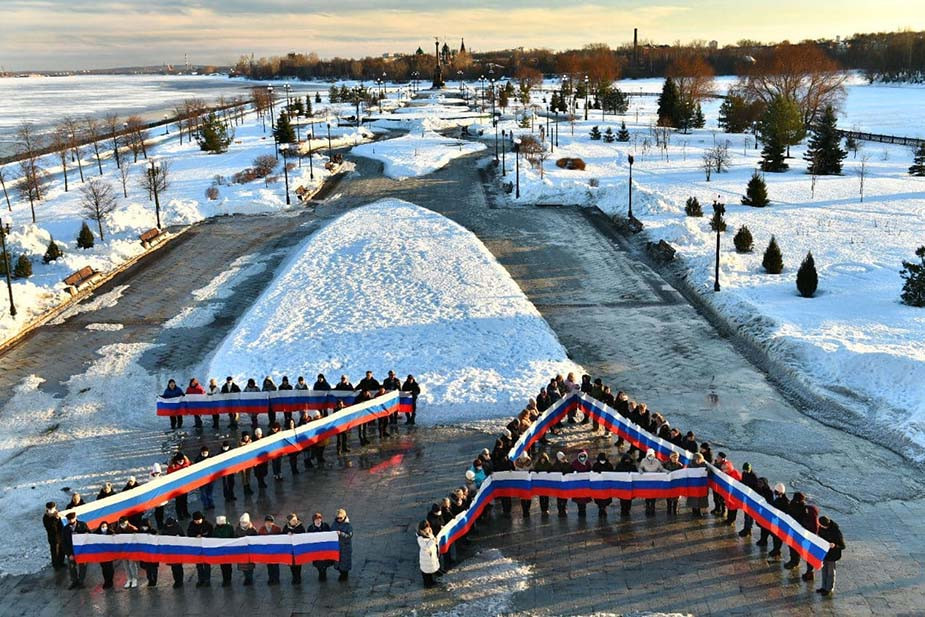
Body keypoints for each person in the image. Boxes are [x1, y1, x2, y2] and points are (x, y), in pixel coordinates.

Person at [817, 516, 845, 596]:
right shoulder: (821, 529)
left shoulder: (836, 532)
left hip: (832, 555)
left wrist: (835, 545)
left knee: (830, 572)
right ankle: (823, 587)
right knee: (824, 571)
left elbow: (842, 546)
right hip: (824, 554)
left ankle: (828, 589)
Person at [62, 512, 90, 589]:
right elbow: (64, 542)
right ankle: (74, 581)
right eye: (69, 519)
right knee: (72, 567)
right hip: (71, 551)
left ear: (75, 518)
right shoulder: (65, 529)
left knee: (82, 566)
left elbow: (89, 535)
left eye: (72, 519)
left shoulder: (82, 525)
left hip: (81, 550)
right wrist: (69, 554)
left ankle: (81, 581)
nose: (70, 521)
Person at [187, 511, 213, 587]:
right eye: (195, 520)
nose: (197, 522)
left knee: (207, 565)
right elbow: (189, 533)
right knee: (199, 565)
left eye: (198, 520)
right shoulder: (191, 525)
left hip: (206, 548)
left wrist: (204, 537)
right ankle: (201, 579)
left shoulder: (208, 525)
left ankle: (207, 580)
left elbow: (211, 535)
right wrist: (195, 535)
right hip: (197, 548)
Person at [783, 492, 808, 569]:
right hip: (792, 528)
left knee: (795, 546)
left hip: (797, 529)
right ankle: (793, 560)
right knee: (791, 545)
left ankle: (795, 562)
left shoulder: (803, 507)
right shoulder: (794, 504)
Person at [159, 515, 185, 587]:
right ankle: (177, 581)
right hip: (170, 552)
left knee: (178, 567)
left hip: (177, 551)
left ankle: (180, 580)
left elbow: (183, 537)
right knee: (174, 568)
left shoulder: (177, 527)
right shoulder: (165, 529)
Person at [767, 483, 790, 561]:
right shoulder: (777, 498)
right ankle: (775, 549)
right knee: (775, 537)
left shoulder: (785, 502)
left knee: (778, 538)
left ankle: (777, 550)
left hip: (779, 523)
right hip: (775, 521)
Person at [638, 448, 665, 517]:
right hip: (646, 481)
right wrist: (640, 470)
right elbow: (640, 467)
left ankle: (652, 507)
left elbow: (661, 469)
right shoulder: (643, 461)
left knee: (653, 494)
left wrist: (667, 472)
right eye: (649, 455)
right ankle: (647, 506)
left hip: (654, 481)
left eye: (652, 455)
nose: (651, 456)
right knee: (647, 494)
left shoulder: (657, 461)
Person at [307, 512, 334, 581]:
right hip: (316, 550)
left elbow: (330, 535)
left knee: (324, 564)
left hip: (325, 549)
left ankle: (323, 574)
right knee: (318, 564)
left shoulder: (325, 526)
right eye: (316, 520)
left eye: (319, 519)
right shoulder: (310, 528)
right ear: (313, 521)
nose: (318, 521)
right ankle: (321, 573)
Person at [114, 516, 139, 588]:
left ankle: (135, 578)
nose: (122, 525)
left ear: (127, 522)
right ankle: (129, 579)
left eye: (123, 523)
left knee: (132, 564)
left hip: (131, 550)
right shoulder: (118, 530)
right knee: (125, 565)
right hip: (123, 550)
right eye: (121, 523)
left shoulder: (132, 529)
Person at [167, 451, 191, 519]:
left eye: (182, 460)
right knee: (178, 501)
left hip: (185, 486)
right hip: (177, 487)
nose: (181, 461)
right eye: (179, 460)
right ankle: (179, 514)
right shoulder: (172, 467)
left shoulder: (186, 464)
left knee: (184, 500)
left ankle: (185, 512)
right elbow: (169, 475)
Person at [212, 515, 235, 587]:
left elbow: (232, 537)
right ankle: (225, 579)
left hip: (228, 550)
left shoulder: (229, 528)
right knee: (223, 566)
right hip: (221, 551)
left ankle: (228, 579)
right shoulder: (216, 529)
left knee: (228, 565)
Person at [259, 515, 283, 585]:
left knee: (275, 566)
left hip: (275, 551)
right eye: (267, 522)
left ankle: (276, 579)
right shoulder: (262, 529)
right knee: (269, 566)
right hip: (267, 551)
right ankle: (271, 578)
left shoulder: (277, 529)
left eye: (270, 522)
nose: (268, 524)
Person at [235, 513, 258, 586]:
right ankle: (246, 578)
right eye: (242, 522)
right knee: (243, 566)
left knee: (250, 566)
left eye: (245, 522)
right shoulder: (237, 529)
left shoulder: (252, 529)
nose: (243, 524)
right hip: (241, 551)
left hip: (249, 551)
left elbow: (255, 539)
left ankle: (250, 578)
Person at [91, 520, 115, 589]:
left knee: (110, 568)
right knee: (104, 568)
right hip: (101, 554)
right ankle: (106, 581)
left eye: (105, 526)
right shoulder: (97, 533)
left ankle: (110, 580)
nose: (104, 528)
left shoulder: (111, 532)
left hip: (109, 554)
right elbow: (91, 537)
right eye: (103, 526)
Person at [737, 463, 759, 535]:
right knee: (746, 513)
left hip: (751, 497)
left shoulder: (754, 476)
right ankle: (747, 528)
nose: (746, 471)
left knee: (749, 514)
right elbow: (743, 482)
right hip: (746, 496)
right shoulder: (744, 474)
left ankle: (748, 528)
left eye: (747, 470)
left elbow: (756, 487)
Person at [417, 520, 440, 588]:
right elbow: (425, 547)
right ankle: (427, 584)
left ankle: (431, 582)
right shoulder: (420, 537)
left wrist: (435, 540)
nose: (427, 530)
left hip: (431, 556)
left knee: (429, 571)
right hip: (425, 557)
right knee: (425, 572)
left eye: (428, 527)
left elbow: (433, 540)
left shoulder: (430, 533)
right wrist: (432, 541)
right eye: (425, 529)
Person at [283, 513, 305, 584]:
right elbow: (282, 535)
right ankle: (294, 577)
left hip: (298, 549)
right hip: (290, 550)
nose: (294, 521)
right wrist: (287, 534)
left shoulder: (300, 526)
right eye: (293, 520)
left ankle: (298, 577)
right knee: (292, 565)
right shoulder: (286, 527)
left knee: (298, 564)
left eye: (295, 520)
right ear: (289, 521)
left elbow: (303, 535)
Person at [332, 508, 353, 581]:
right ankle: (341, 574)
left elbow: (349, 535)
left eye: (340, 518)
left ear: (344, 517)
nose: (339, 519)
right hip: (337, 547)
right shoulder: (334, 523)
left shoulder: (348, 525)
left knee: (345, 564)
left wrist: (341, 534)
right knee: (338, 563)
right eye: (337, 518)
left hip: (345, 548)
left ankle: (344, 576)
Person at [685, 452, 709, 518]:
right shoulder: (690, 465)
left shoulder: (704, 465)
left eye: (699, 459)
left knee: (700, 499)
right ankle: (694, 511)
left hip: (701, 486)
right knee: (693, 499)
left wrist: (707, 470)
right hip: (693, 486)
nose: (698, 461)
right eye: (697, 459)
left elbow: (707, 473)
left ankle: (698, 512)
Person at [801, 504, 821, 581]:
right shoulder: (813, 520)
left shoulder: (813, 523)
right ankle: (809, 572)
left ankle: (810, 573)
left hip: (810, 542)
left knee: (809, 559)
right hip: (809, 542)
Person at [43, 502, 65, 570]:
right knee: (55, 552)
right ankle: (56, 565)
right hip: (53, 537)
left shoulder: (58, 514)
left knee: (62, 550)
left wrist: (59, 518)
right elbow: (51, 527)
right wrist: (55, 519)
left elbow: (62, 524)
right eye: (51, 508)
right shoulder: (46, 517)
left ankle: (61, 562)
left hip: (60, 535)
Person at [615, 453, 638, 517]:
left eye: (628, 459)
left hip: (630, 487)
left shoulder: (632, 466)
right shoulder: (619, 466)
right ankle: (623, 510)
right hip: (622, 487)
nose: (627, 461)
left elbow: (636, 474)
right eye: (626, 459)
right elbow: (615, 474)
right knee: (622, 500)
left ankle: (627, 510)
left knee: (629, 500)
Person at [137, 518, 158, 587]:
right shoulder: (140, 533)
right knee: (148, 569)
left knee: (153, 568)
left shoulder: (153, 531)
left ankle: (154, 580)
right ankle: (150, 580)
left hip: (152, 554)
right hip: (145, 554)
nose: (144, 527)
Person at [592, 453, 614, 517]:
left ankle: (603, 508)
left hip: (606, 486)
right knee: (600, 498)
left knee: (605, 498)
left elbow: (612, 474)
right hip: (599, 486)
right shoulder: (596, 465)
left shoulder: (609, 465)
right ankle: (601, 508)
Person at [571, 451, 592, 517]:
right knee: (579, 500)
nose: (582, 458)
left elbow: (590, 470)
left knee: (584, 500)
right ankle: (580, 512)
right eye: (581, 456)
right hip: (577, 486)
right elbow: (570, 470)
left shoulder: (587, 463)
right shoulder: (575, 463)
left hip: (585, 486)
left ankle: (583, 512)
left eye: (583, 456)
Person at [662, 451, 684, 515]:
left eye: (676, 457)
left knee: (676, 498)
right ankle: (668, 509)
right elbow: (661, 470)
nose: (675, 458)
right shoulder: (666, 464)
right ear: (670, 457)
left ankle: (675, 509)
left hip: (676, 484)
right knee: (668, 497)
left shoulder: (680, 465)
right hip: (669, 484)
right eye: (673, 457)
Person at [195, 445, 216, 510]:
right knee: (203, 493)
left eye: (206, 452)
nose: (205, 454)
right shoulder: (198, 459)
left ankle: (211, 503)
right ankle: (206, 505)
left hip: (211, 478)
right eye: (204, 453)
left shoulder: (211, 457)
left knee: (210, 492)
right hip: (202, 479)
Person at [148, 464, 168, 528]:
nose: (157, 474)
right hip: (156, 499)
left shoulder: (161, 478)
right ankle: (159, 523)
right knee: (157, 512)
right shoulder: (151, 479)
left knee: (161, 511)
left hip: (161, 498)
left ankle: (161, 522)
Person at [514, 453, 533, 518]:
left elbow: (532, 469)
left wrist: (531, 471)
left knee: (529, 497)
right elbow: (516, 472)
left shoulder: (530, 462)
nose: (524, 460)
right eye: (522, 459)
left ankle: (528, 509)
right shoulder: (517, 463)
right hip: (521, 483)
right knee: (522, 498)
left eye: (525, 459)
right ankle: (524, 510)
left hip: (528, 483)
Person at [553, 451, 571, 518]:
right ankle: (560, 510)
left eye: (563, 458)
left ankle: (564, 508)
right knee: (559, 498)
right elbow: (553, 471)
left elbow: (570, 470)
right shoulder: (556, 465)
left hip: (565, 484)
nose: (562, 459)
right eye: (561, 458)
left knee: (565, 497)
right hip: (558, 485)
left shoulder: (567, 464)